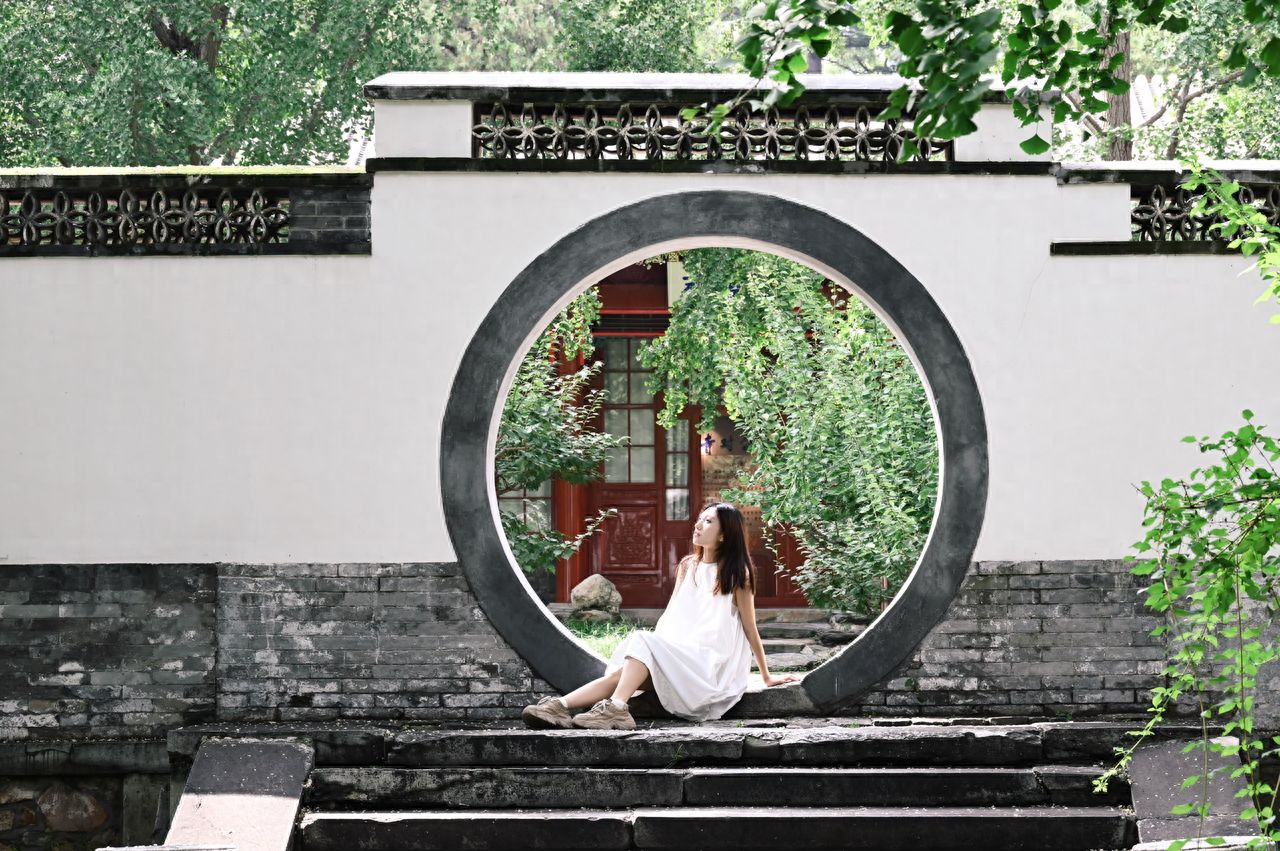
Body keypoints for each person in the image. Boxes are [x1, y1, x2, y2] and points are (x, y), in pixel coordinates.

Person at [522, 502, 799, 730]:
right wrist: (654, 654)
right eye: (699, 519)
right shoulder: (688, 567)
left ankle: (616, 709)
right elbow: (672, 616)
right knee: (624, 671)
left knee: (641, 642)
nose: (697, 525)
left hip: (709, 670)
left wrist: (766, 676)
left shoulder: (737, 575)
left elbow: (750, 627)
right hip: (681, 659)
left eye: (707, 522)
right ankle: (560, 707)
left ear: (724, 535)